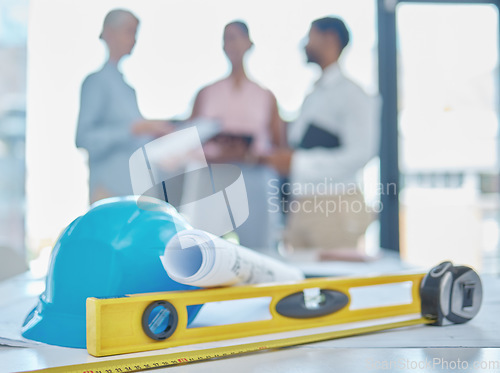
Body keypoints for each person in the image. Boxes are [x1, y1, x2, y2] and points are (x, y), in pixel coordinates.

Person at [264, 17, 379, 255]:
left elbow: (360, 154)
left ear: (330, 39)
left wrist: (296, 163)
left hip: (334, 206)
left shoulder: (352, 94)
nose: (305, 44)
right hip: (304, 204)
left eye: (311, 36)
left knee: (332, 286)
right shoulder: (314, 94)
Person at [188, 21, 284, 250]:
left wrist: (251, 154)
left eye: (236, 37)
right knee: (206, 249)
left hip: (253, 178)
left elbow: (279, 146)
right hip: (213, 177)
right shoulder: (206, 93)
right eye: (227, 38)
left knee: (259, 248)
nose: (231, 43)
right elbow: (190, 139)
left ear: (249, 43)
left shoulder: (265, 96)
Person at [76, 9, 172, 204]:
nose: (134, 40)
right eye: (129, 32)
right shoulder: (96, 82)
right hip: (108, 193)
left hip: (136, 195)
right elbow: (84, 138)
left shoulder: (127, 89)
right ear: (110, 33)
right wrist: (134, 129)